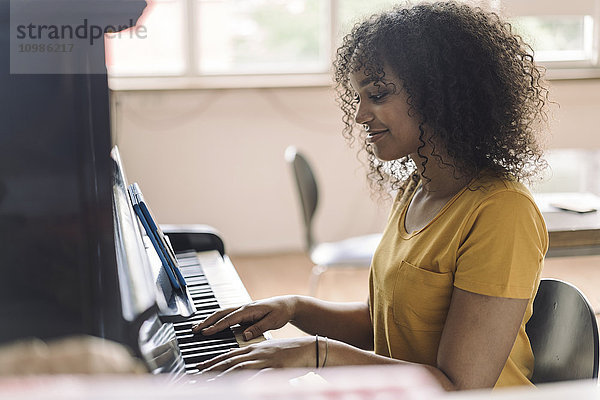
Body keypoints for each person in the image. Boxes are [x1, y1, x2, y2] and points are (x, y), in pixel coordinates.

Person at [192, 1, 549, 391]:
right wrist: (294, 307)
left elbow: (459, 387)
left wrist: (317, 353)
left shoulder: (502, 211)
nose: (361, 115)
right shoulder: (418, 188)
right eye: (359, 97)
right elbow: (381, 325)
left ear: (440, 94)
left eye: (377, 94)